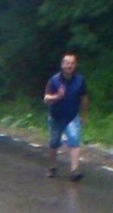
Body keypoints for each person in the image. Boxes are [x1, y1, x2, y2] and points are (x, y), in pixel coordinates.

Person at [44, 53, 89, 181]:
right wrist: (56, 97)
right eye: (67, 63)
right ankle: (52, 166)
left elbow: (84, 98)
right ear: (62, 65)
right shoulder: (54, 80)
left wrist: (84, 114)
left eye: (72, 63)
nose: (69, 66)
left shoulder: (80, 80)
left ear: (75, 65)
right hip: (56, 116)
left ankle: (74, 170)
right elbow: (46, 99)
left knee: (74, 140)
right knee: (54, 143)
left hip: (72, 116)